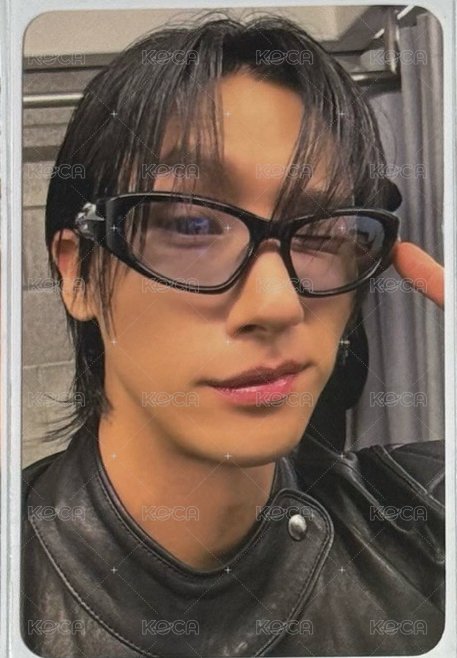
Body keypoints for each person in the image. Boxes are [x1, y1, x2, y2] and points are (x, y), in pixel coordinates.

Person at [21, 13, 445, 658]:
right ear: (78, 272)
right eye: (191, 224)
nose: (277, 305)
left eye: (322, 231)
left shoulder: (425, 526)